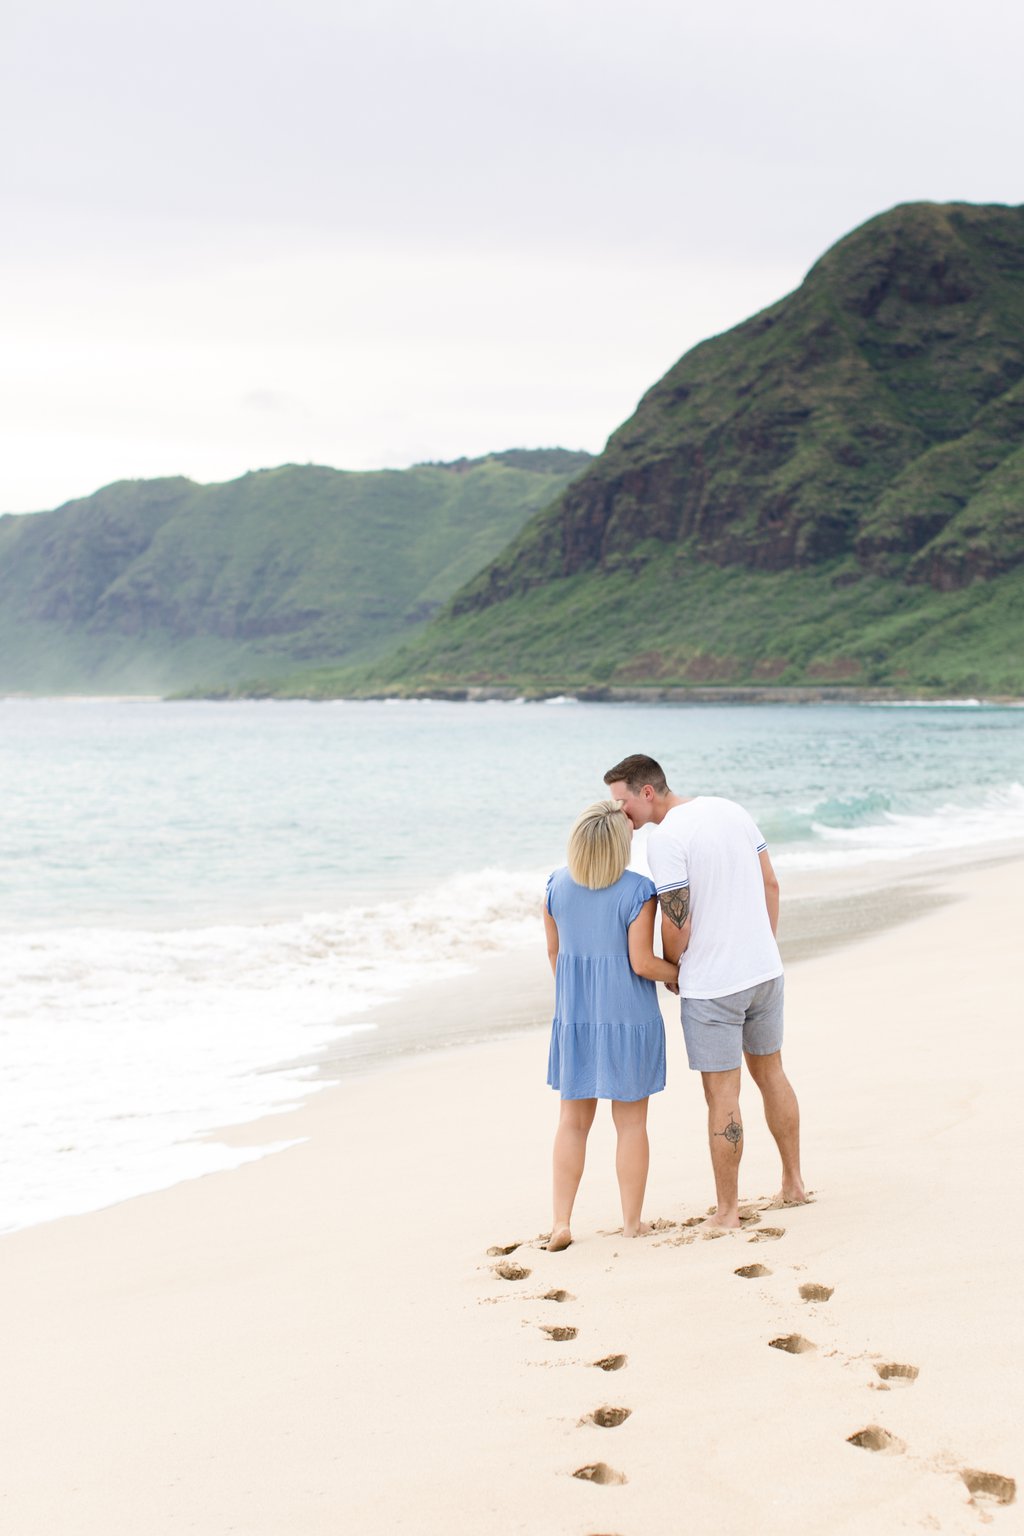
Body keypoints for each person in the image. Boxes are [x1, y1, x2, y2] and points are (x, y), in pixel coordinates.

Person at [603, 754, 807, 1228]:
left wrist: (674, 967)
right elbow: (770, 884)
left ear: (646, 792)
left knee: (722, 1096)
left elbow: (679, 921)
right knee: (772, 1074)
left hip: (713, 987)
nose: (619, 813)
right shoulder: (730, 809)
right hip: (764, 972)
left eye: (621, 801)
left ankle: (729, 1212)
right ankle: (794, 1184)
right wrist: (761, 946)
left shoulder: (667, 839)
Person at [543, 799, 680, 1251]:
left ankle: (562, 1222)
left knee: (572, 1123)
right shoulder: (638, 891)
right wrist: (681, 975)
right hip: (627, 1020)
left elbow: (555, 957)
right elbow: (642, 964)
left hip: (577, 1019)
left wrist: (579, 1001)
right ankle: (631, 1224)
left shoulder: (555, 887)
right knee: (631, 1124)